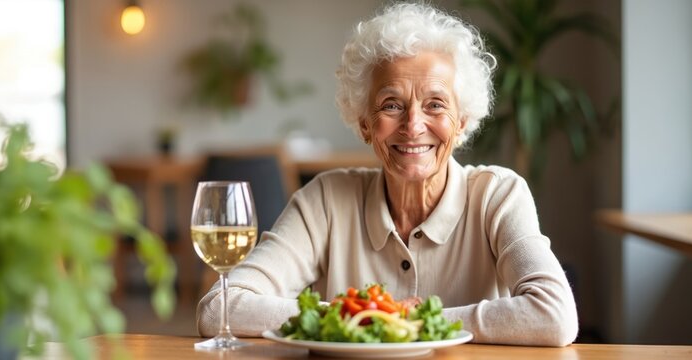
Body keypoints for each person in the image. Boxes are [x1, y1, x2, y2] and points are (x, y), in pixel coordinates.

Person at [196, 2, 577, 346]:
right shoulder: (325, 199)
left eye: (435, 104)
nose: (413, 125)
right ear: (365, 124)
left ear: (461, 124)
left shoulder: (499, 195)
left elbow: (555, 316)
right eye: (391, 104)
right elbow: (219, 309)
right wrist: (367, 316)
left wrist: (404, 321)